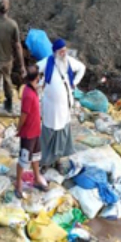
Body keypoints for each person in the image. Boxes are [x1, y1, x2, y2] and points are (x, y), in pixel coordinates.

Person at [37, 39, 86, 167]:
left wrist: (74, 83)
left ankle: (57, 159)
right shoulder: (48, 62)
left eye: (65, 50)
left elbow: (82, 68)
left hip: (64, 108)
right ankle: (45, 162)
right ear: (55, 52)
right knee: (48, 134)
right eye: (61, 51)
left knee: (61, 134)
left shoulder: (69, 61)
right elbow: (35, 69)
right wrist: (39, 83)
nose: (64, 53)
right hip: (50, 108)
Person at [16, 66, 46, 198]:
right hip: (28, 133)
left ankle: (37, 178)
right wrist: (19, 128)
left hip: (35, 132)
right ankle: (18, 184)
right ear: (37, 78)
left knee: (35, 157)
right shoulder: (28, 94)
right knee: (23, 160)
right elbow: (24, 114)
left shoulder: (32, 90)